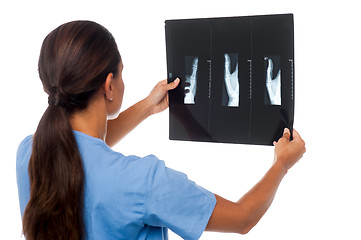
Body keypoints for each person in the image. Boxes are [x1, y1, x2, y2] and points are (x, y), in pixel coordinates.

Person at [16, 20, 306, 240]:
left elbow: (86, 150)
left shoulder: (31, 151)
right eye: (122, 72)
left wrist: (147, 106)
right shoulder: (145, 182)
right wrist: (282, 163)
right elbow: (243, 218)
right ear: (109, 86)